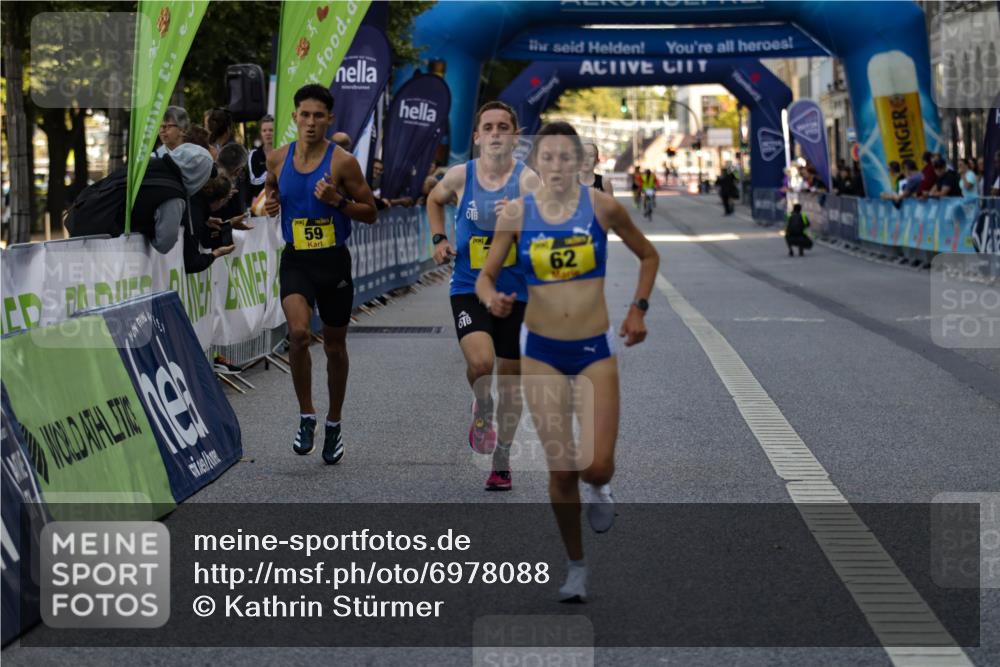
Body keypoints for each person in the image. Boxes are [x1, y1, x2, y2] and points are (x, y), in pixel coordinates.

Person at [475, 121, 658, 602]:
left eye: (565, 158)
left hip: (595, 347)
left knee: (596, 467)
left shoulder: (603, 207)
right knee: (561, 469)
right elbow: (486, 275)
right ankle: (575, 566)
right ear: (536, 165)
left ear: (581, 164)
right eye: (547, 158)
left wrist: (638, 309)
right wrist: (491, 297)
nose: (556, 166)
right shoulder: (516, 213)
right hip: (542, 351)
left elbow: (649, 256)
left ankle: (600, 487)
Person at [426, 101, 539, 491]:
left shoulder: (527, 182)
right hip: (469, 288)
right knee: (480, 365)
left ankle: (502, 460)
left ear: (515, 136)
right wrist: (439, 238)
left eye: (503, 127)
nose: (495, 133)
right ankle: (482, 406)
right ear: (476, 137)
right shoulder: (461, 176)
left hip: (516, 293)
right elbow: (433, 200)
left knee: (510, 381)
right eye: (487, 127)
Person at [263, 84, 377, 464]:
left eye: (318, 116)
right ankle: (307, 415)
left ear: (329, 119)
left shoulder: (343, 162)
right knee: (297, 334)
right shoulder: (278, 158)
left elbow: (370, 210)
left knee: (334, 347)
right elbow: (271, 188)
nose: (310, 122)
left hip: (333, 263)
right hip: (296, 259)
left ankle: (334, 423)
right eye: (304, 115)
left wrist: (338, 202)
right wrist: (272, 199)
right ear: (294, 117)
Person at [248, 114, 274, 198]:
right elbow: (254, 180)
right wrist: (273, 172)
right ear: (260, 133)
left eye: (271, 130)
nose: (268, 133)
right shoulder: (254, 154)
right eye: (264, 130)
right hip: (260, 201)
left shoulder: (284, 152)